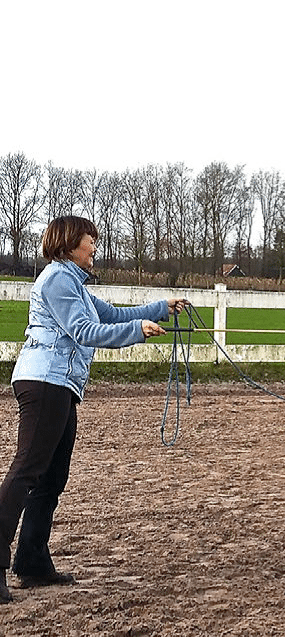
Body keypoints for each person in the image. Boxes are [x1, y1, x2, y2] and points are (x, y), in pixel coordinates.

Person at [0, 215, 187, 603]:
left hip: (59, 384)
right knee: (26, 472)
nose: (94, 248)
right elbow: (85, 331)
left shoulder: (75, 284)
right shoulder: (57, 280)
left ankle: (32, 561)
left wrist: (159, 308)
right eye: (90, 242)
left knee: (51, 476)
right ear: (70, 244)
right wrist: (138, 332)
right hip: (44, 381)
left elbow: (111, 315)